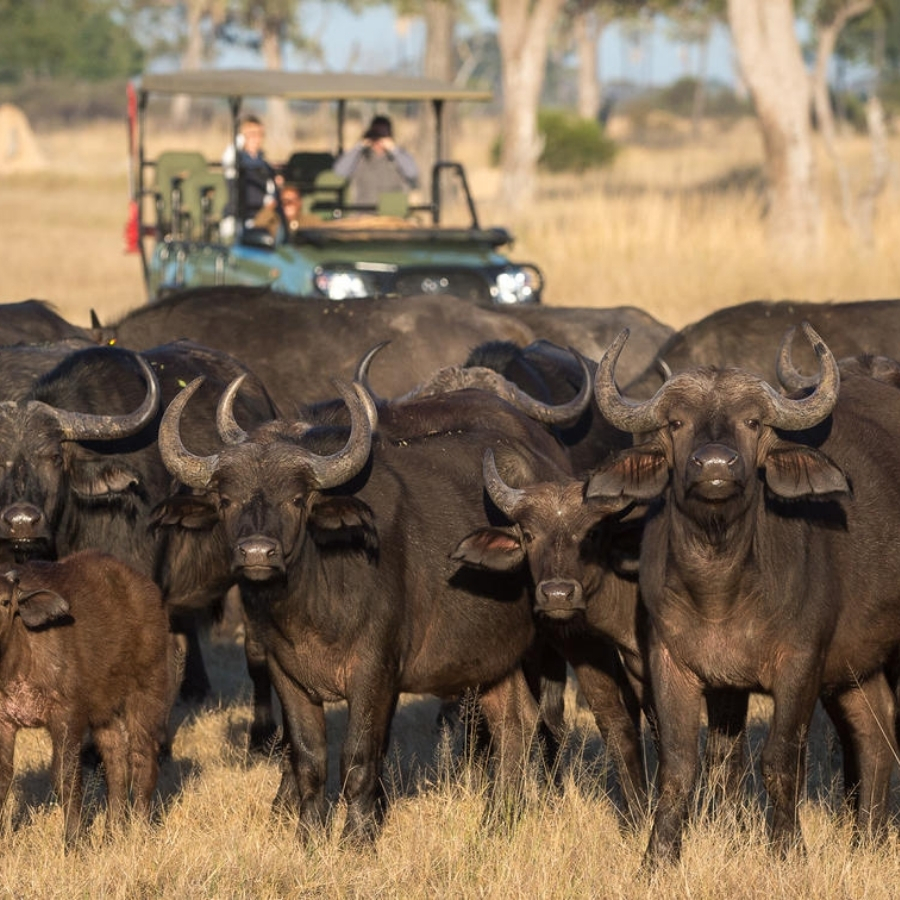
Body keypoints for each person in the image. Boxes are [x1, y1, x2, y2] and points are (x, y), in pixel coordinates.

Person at [333, 115, 418, 209]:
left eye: (383, 134)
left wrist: (393, 149)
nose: (379, 139)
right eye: (376, 134)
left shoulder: (398, 156)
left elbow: (412, 172)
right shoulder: (360, 157)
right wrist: (359, 146)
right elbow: (339, 171)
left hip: (391, 214)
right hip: (363, 214)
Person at [221, 115, 281, 235]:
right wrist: (240, 139)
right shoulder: (236, 161)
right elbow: (228, 158)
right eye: (252, 134)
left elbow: (271, 193)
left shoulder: (265, 165)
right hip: (240, 218)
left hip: (262, 216)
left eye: (260, 134)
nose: (256, 138)